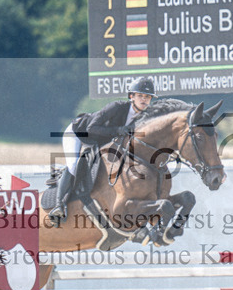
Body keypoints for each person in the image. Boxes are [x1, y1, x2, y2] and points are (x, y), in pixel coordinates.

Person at [48, 76, 156, 224]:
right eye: (140, 96)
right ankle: (59, 205)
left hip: (99, 142)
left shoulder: (145, 118)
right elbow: (92, 128)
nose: (144, 100)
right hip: (78, 133)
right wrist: (118, 129)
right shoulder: (116, 107)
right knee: (74, 165)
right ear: (131, 96)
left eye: (148, 97)